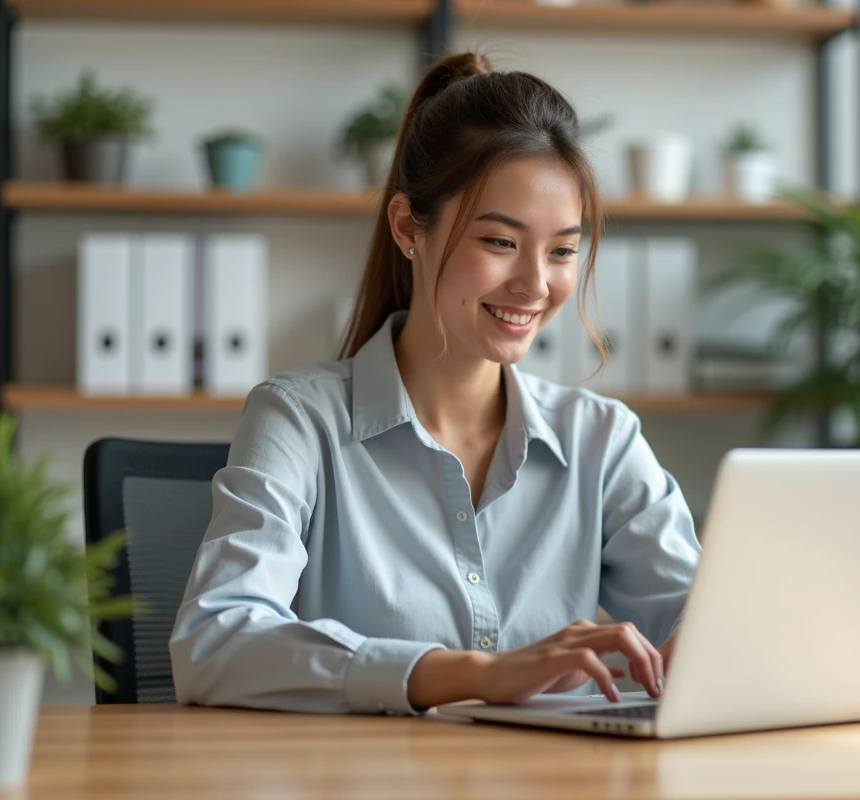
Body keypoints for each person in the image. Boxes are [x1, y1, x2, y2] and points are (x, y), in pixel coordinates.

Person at [169, 52, 701, 716]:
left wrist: (712, 651)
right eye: (501, 243)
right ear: (406, 227)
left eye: (563, 250)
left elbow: (710, 626)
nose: (536, 284)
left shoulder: (601, 440)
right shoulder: (299, 420)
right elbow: (214, 642)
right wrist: (473, 673)